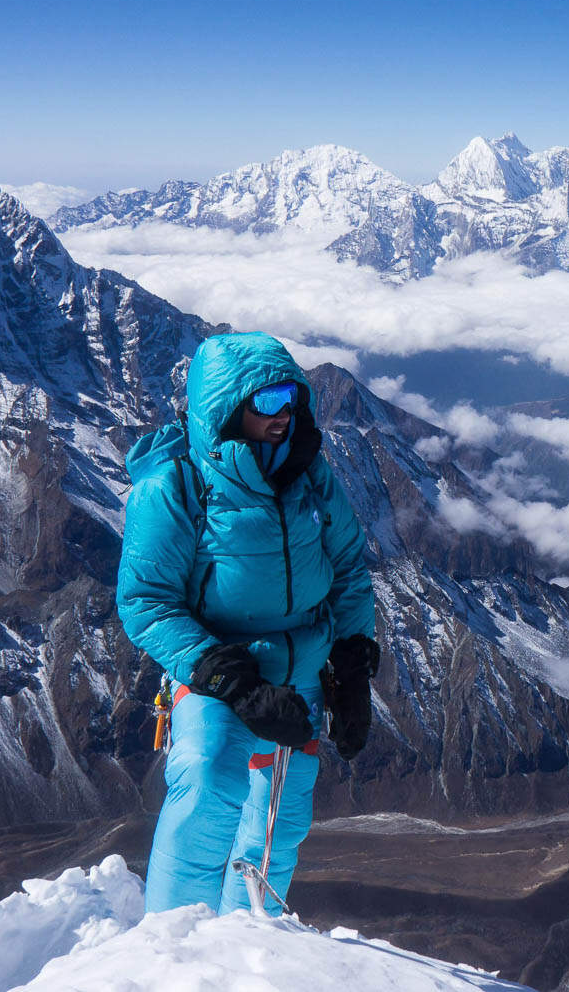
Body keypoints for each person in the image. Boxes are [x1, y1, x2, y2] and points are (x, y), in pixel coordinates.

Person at [116, 331, 380, 915]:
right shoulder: (175, 486)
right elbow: (146, 601)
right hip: (216, 671)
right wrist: (231, 680)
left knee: (280, 818)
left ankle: (248, 940)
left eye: (291, 397)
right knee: (208, 781)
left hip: (302, 670)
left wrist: (353, 661)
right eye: (266, 402)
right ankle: (173, 947)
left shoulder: (310, 475)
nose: (284, 413)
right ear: (225, 408)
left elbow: (347, 572)